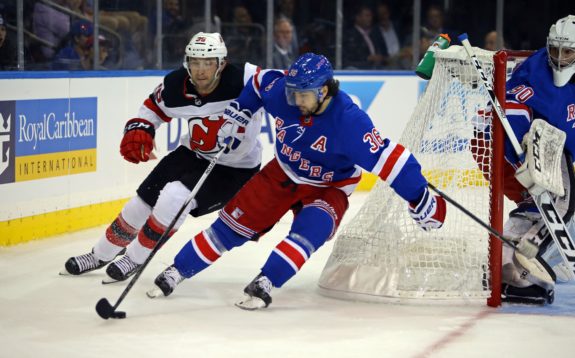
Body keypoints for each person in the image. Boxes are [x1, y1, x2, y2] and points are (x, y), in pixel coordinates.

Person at [148, 52, 447, 310]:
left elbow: (391, 160)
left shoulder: (349, 122)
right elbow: (257, 83)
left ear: (325, 91)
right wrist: (240, 112)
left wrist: (420, 197)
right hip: (283, 171)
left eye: (303, 95)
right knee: (229, 228)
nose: (295, 100)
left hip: (330, 186)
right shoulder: (285, 93)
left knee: (310, 232)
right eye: (292, 92)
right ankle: (177, 271)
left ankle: (267, 280)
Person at [62, 33, 263, 282]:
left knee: (174, 198)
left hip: (234, 168)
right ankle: (101, 254)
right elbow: (152, 107)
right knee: (140, 203)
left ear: (221, 63)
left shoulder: (245, 78)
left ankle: (135, 258)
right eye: (195, 62)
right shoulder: (175, 85)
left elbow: (281, 91)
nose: (200, 70)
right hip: (192, 153)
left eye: (208, 62)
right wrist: (140, 128)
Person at [478, 15, 575, 304]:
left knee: (541, 205)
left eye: (567, 52)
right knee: (561, 202)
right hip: (516, 142)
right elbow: (509, 113)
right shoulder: (535, 69)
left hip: (551, 145)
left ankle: (504, 264)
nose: (559, 58)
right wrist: (521, 155)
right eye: (555, 50)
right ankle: (529, 255)